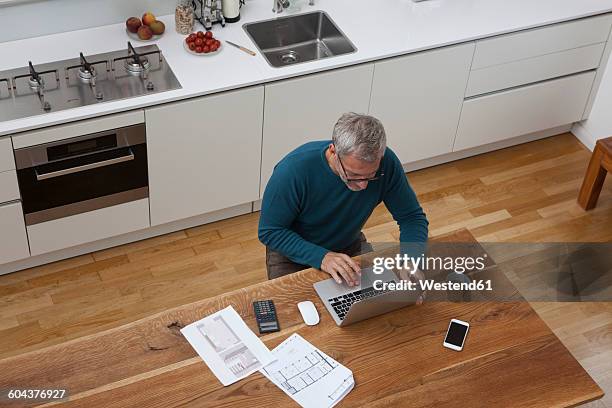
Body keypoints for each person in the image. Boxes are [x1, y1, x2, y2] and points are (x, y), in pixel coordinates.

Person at [258, 112, 429, 285]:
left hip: (348, 246)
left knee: (376, 301)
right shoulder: (292, 171)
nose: (363, 186)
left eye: (371, 175)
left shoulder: (387, 164)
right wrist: (322, 257)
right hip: (293, 253)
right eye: (354, 175)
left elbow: (411, 218)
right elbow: (270, 231)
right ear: (333, 151)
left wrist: (411, 261)